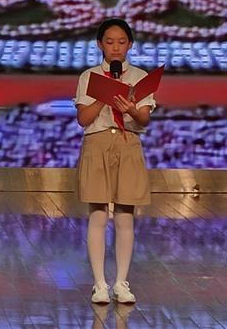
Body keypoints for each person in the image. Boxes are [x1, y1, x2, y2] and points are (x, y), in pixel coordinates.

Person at [74, 18, 156, 305]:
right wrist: (103, 96)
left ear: (130, 45)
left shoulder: (140, 77)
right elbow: (83, 118)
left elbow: (144, 119)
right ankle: (99, 283)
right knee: (97, 213)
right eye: (109, 42)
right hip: (97, 143)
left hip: (127, 142)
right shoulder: (89, 76)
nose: (116, 48)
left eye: (121, 42)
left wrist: (131, 108)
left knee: (125, 214)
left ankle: (121, 282)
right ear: (100, 45)